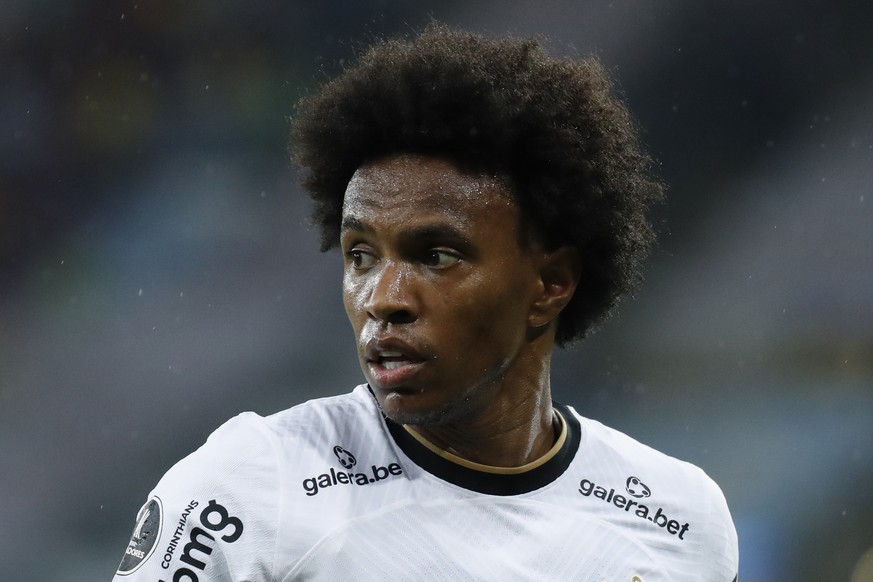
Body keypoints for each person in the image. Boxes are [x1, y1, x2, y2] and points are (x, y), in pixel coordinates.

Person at [113, 24, 738, 581]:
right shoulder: (250, 489)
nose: (383, 299)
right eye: (361, 255)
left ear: (551, 283)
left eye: (437, 256)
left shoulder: (680, 520)